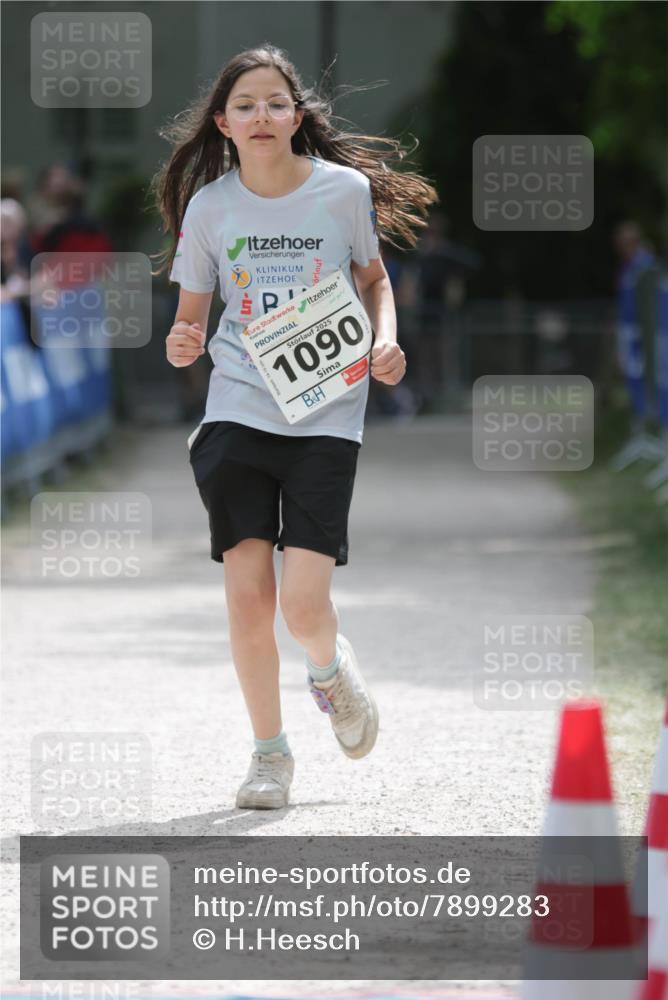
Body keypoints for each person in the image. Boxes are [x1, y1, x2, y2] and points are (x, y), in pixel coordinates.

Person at [152, 43, 437, 810]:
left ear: (298, 115)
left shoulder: (341, 192)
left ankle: (329, 671)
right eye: (244, 105)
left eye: (276, 101)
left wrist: (385, 337)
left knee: (303, 607)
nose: (262, 115)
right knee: (248, 597)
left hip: (325, 415)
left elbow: (375, 281)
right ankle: (269, 756)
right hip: (239, 407)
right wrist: (182, 342)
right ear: (223, 123)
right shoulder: (210, 209)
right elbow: (190, 321)